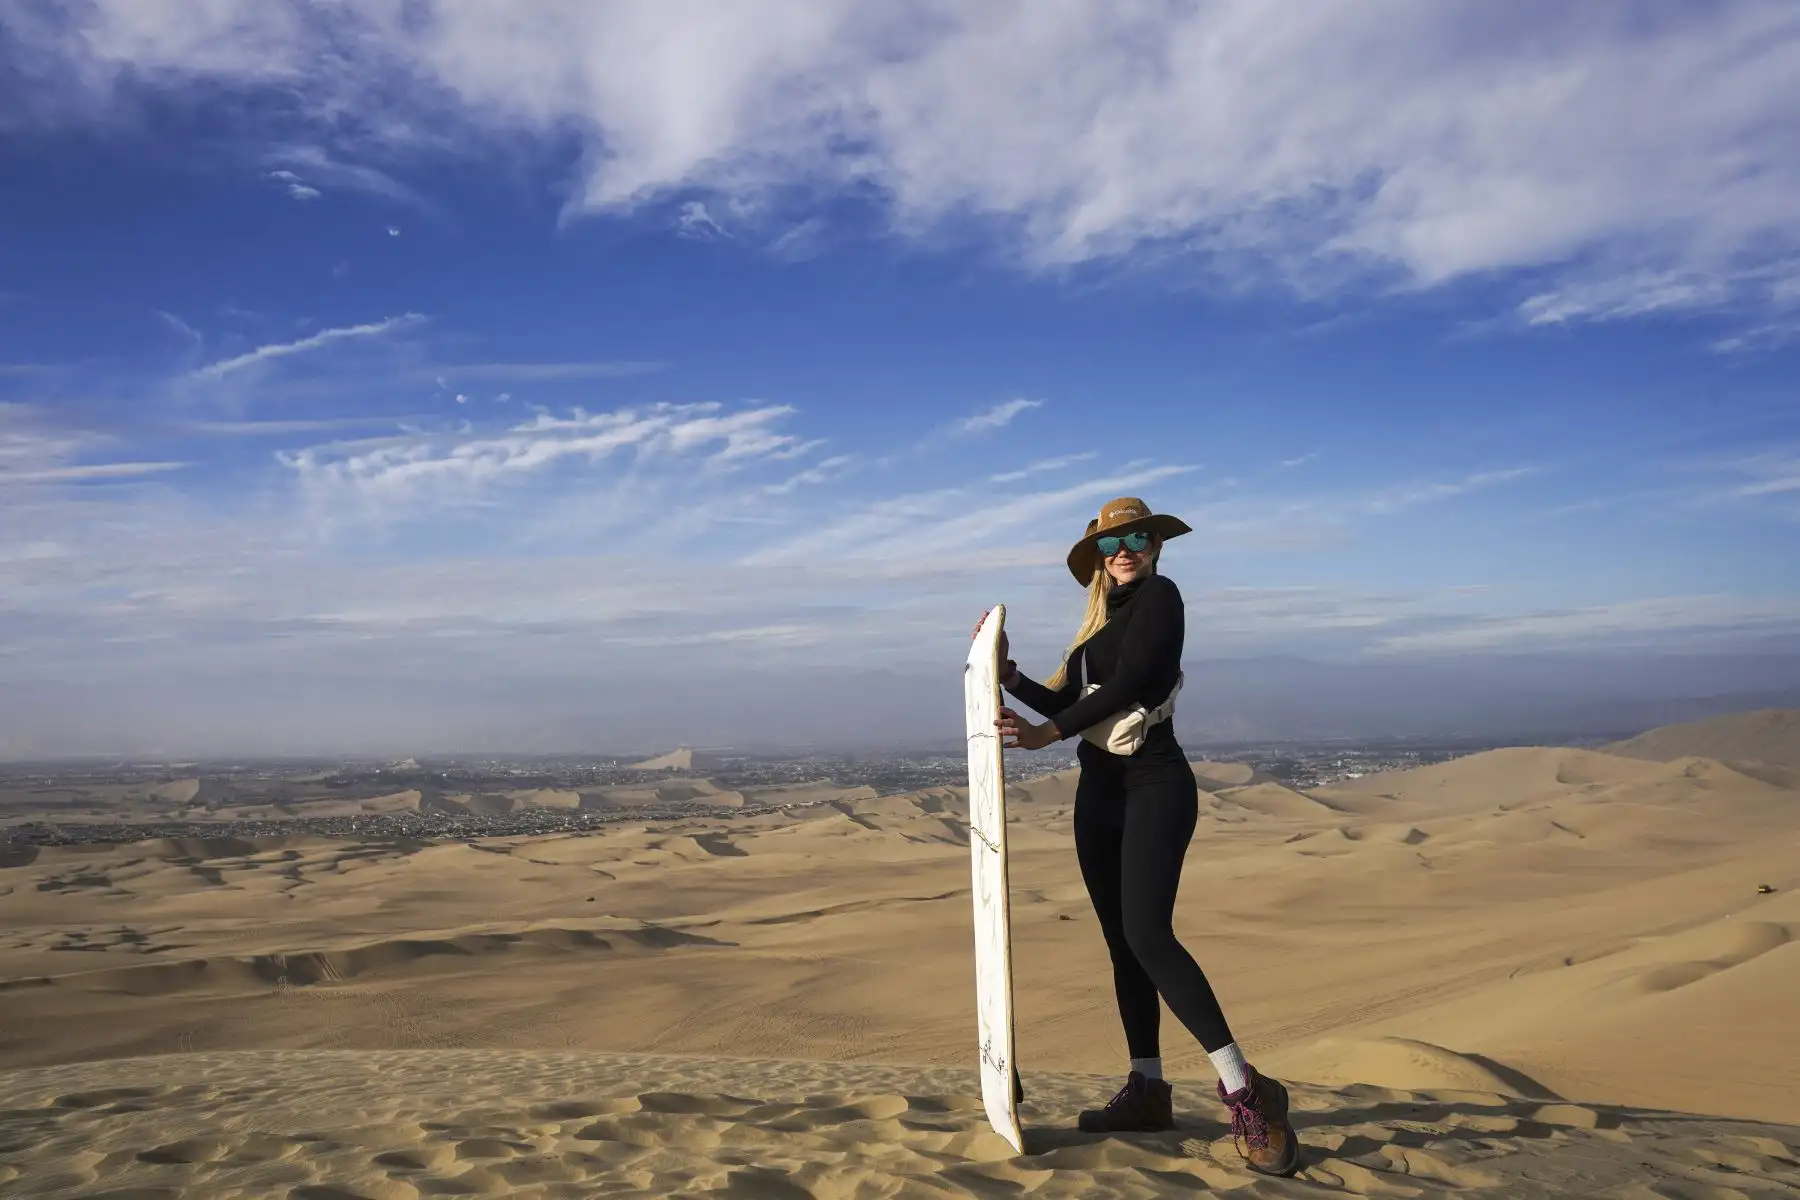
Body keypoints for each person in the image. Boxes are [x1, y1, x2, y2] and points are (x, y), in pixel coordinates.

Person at [973, 496, 1300, 1177]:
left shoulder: (1163, 601)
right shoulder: (1095, 632)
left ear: (1157, 546)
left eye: (1137, 537)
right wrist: (1008, 678)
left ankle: (1244, 1093)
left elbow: (1136, 683)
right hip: (1098, 795)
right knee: (1122, 944)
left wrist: (1043, 736)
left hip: (1155, 784)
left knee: (1151, 936)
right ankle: (1148, 1088)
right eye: (1111, 542)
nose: (1124, 550)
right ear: (1097, 555)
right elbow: (1078, 702)